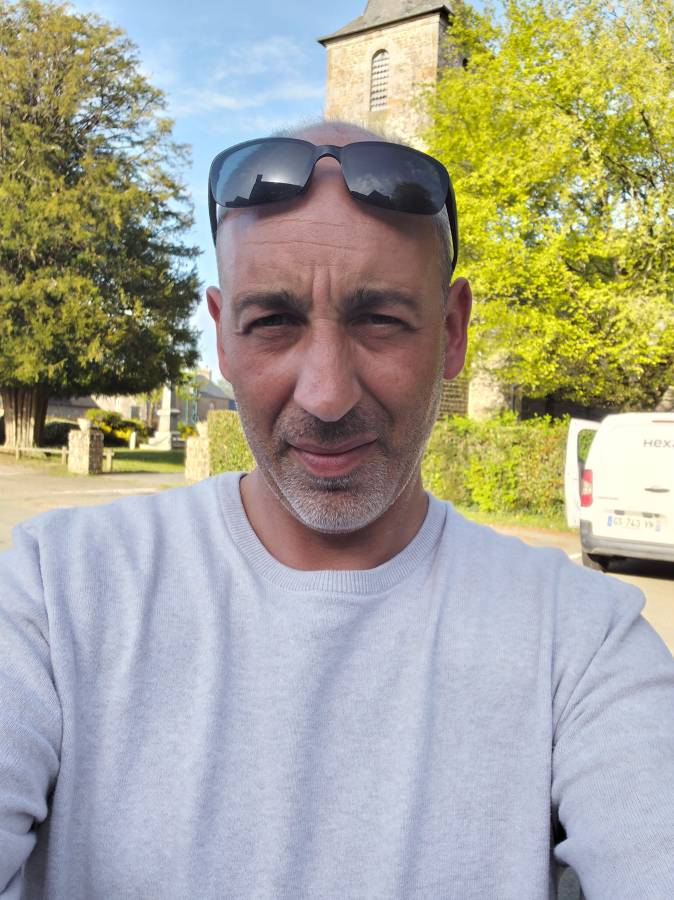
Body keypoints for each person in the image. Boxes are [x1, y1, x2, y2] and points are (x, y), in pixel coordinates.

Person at [0, 120, 672, 900]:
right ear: (222, 338)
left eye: (379, 320)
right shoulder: (56, 593)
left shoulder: (581, 644)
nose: (326, 395)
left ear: (452, 332)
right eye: (273, 323)